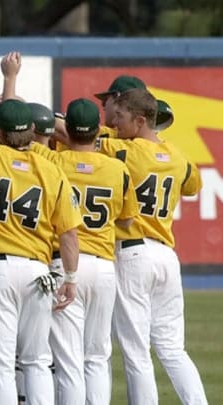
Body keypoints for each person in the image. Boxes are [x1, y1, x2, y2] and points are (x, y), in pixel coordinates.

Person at [101, 88, 207, 405]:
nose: (114, 123)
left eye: (119, 117)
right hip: (166, 254)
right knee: (173, 348)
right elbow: (193, 185)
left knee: (136, 350)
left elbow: (74, 137)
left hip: (134, 251)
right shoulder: (178, 157)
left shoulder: (122, 152)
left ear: (140, 120)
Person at [0, 99, 81, 405]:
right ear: (32, 131)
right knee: (36, 361)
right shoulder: (51, 169)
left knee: (0, 367)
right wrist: (70, 278)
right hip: (38, 271)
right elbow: (69, 233)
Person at [32, 98, 139, 404]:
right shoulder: (118, 168)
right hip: (104, 266)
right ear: (98, 131)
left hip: (65, 264)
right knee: (96, 357)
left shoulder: (53, 162)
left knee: (68, 360)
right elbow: (129, 221)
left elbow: (33, 137)